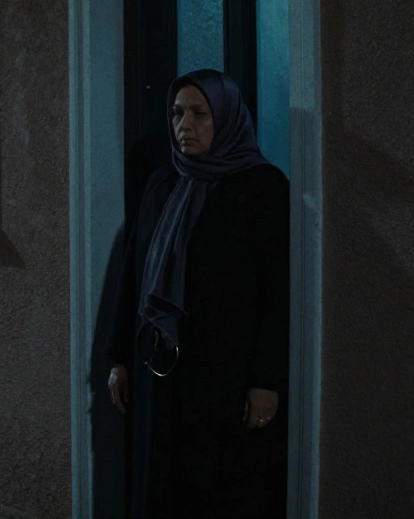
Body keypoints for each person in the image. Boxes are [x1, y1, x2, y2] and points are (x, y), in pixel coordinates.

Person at [106, 68, 289, 518]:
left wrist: (266, 381)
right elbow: (133, 273)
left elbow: (277, 292)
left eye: (199, 114)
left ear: (226, 118)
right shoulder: (163, 183)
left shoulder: (262, 188)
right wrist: (118, 359)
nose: (184, 125)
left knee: (218, 487)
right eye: (176, 113)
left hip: (224, 375)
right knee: (158, 483)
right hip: (159, 368)